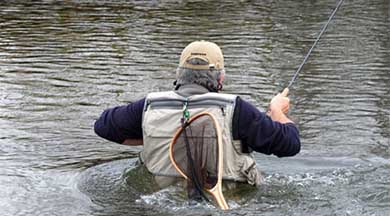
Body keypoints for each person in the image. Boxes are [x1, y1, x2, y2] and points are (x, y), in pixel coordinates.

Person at [94, 40, 300, 188]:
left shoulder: (149, 106)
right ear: (220, 79)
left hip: (161, 196)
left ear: (179, 75)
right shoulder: (237, 109)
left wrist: (153, 136)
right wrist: (276, 112)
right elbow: (290, 144)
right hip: (228, 201)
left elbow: (103, 126)